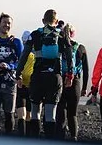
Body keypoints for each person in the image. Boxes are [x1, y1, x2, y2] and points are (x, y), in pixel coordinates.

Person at [18, 8, 70, 138]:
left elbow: (24, 55)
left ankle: (34, 142)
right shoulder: (62, 35)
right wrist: (70, 74)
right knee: (50, 113)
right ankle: (49, 144)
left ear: (43, 20)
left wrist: (18, 72)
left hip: (37, 77)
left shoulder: (35, 34)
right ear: (56, 21)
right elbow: (69, 57)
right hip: (54, 78)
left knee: (35, 111)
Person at [55, 23, 89, 141]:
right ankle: (74, 138)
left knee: (60, 111)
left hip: (61, 80)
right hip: (75, 81)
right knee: (72, 113)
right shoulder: (81, 48)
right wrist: (84, 87)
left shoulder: (59, 46)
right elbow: (86, 69)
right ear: (73, 34)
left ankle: (60, 138)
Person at [15, 29, 32, 135]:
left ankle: (23, 137)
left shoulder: (20, 54)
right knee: (28, 115)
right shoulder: (36, 54)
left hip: (23, 86)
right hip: (29, 86)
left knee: (23, 114)